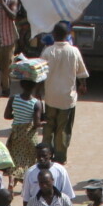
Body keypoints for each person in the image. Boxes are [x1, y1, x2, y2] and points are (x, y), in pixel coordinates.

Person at [38, 24, 87, 164]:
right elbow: (81, 72)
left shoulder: (47, 51)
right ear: (68, 34)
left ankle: (45, 154)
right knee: (63, 129)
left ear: (53, 34)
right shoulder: (74, 51)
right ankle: (60, 158)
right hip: (67, 98)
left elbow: (40, 73)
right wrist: (83, 85)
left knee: (48, 127)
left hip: (51, 97)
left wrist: (38, 91)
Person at [5, 78, 45, 176]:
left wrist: (16, 115)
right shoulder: (36, 103)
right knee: (30, 159)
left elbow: (7, 116)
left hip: (16, 134)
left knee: (15, 157)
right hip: (29, 135)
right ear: (35, 86)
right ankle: (26, 180)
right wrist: (44, 123)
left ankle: (12, 179)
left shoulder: (13, 98)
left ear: (21, 85)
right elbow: (36, 124)